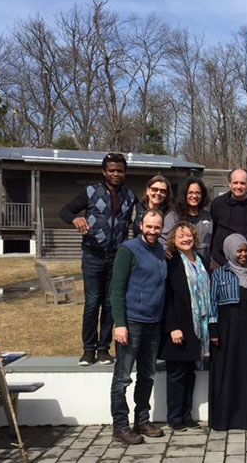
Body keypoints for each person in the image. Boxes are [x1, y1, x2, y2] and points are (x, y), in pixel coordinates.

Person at [59, 152, 137, 366]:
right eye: (111, 170)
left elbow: (139, 222)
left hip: (117, 257)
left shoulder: (130, 196)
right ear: (104, 172)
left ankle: (104, 349)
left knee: (111, 303)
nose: (115, 174)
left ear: (125, 172)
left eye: (119, 170)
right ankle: (88, 349)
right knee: (92, 303)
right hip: (93, 254)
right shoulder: (90, 192)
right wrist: (75, 218)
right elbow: (64, 210)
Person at [108, 208, 167, 445]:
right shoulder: (128, 250)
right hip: (132, 322)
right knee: (123, 376)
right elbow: (117, 290)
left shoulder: (162, 251)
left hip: (154, 322)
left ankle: (142, 419)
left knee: (147, 374)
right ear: (141, 225)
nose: (153, 231)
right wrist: (119, 324)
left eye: (157, 227)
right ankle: (119, 425)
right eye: (149, 226)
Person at [208, 234, 247, 430]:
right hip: (226, 333)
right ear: (230, 251)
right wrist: (213, 329)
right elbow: (212, 303)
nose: (243, 254)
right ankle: (225, 419)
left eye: (245, 250)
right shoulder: (219, 274)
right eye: (239, 251)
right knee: (227, 371)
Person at [159, 221, 211, 431]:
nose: (186, 239)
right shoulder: (170, 262)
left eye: (189, 235)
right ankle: (174, 417)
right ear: (174, 239)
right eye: (181, 236)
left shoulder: (201, 260)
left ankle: (187, 415)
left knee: (190, 374)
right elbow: (167, 297)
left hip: (197, 325)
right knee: (177, 375)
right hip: (178, 326)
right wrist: (172, 327)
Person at [210, 168, 247, 269]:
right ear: (230, 184)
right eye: (235, 183)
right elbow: (212, 231)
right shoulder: (218, 203)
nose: (239, 186)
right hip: (220, 262)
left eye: (242, 183)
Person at [162, 177, 213, 266]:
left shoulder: (208, 217)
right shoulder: (174, 215)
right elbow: (162, 238)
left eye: (197, 193)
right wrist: (165, 249)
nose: (194, 196)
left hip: (203, 265)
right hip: (179, 264)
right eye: (190, 193)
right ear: (185, 194)